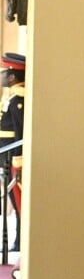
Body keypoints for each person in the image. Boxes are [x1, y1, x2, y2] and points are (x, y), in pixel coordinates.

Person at [0, 53, 26, 252]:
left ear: (11, 77)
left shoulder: (19, 99)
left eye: (4, 73)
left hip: (14, 158)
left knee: (18, 201)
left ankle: (19, 240)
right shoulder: (12, 97)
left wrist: (18, 158)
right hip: (6, 155)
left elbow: (19, 131)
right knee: (13, 198)